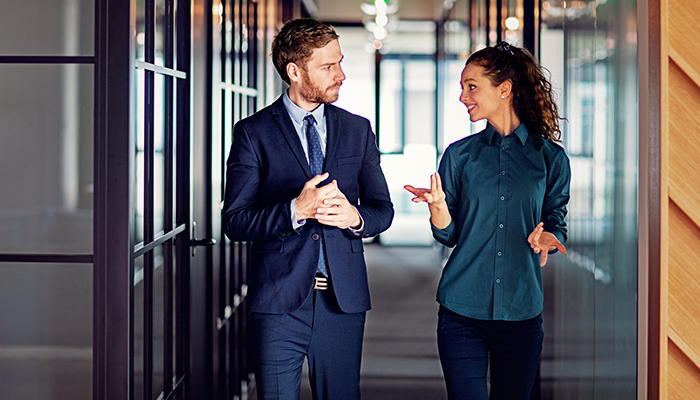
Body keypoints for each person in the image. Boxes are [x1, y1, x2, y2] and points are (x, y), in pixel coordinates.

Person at [222, 18, 394, 400]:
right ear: (295, 72)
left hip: (342, 302)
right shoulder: (253, 132)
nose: (341, 74)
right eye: (328, 66)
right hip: (279, 302)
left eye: (341, 62)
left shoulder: (358, 130)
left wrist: (356, 218)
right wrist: (295, 210)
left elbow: (383, 209)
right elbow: (235, 220)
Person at [404, 41, 571, 400]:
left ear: (504, 89)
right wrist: (438, 210)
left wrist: (550, 237)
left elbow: (556, 218)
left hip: (522, 312)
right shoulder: (459, 156)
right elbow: (449, 235)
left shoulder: (550, 159)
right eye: (462, 87)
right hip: (461, 312)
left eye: (471, 86)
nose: (463, 96)